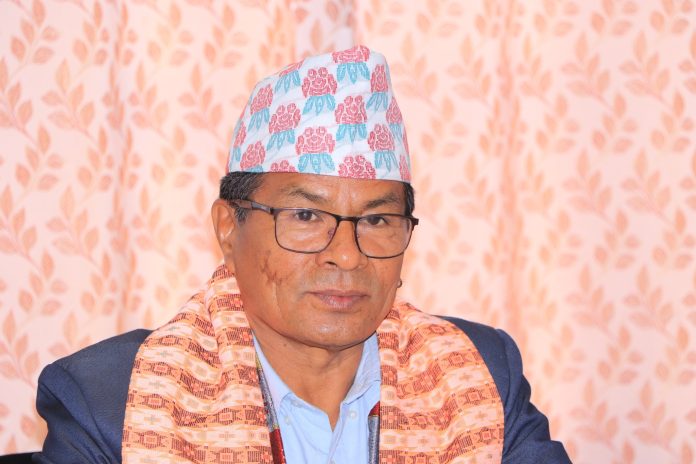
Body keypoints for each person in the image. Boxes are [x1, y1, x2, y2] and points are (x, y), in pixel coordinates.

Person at [34, 46, 571, 464]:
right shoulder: (111, 401)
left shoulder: (475, 376)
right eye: (307, 217)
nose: (347, 257)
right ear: (228, 228)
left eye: (376, 221)